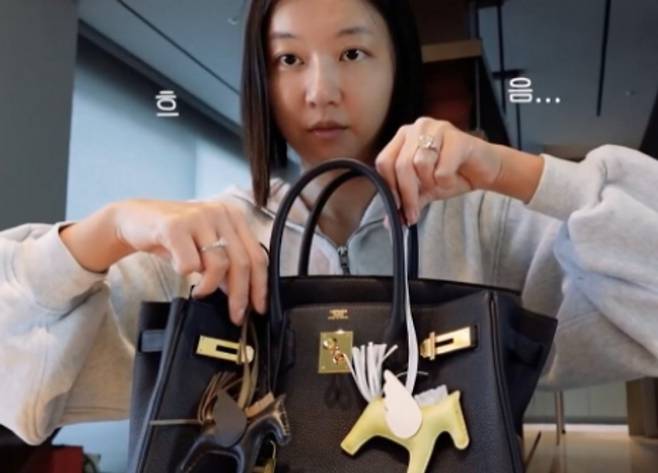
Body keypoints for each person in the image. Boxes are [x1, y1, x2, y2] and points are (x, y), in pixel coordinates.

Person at [1, 0, 657, 446]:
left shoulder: (484, 223)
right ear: (261, 77)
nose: (320, 91)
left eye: (352, 53)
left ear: (398, 63)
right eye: (289, 59)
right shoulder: (214, 242)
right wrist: (111, 229)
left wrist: (515, 172)